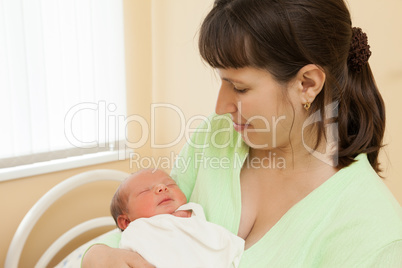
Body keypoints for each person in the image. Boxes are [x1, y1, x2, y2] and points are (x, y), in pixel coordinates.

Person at [82, 0, 402, 267]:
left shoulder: (376, 234)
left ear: (307, 84)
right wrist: (95, 255)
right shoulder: (217, 136)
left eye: (239, 87)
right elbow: (144, 225)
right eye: (222, 80)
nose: (220, 106)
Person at [109, 168, 244, 268]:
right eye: (145, 191)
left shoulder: (190, 214)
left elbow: (207, 236)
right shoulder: (137, 229)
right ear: (125, 221)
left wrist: (189, 215)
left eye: (170, 185)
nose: (162, 188)